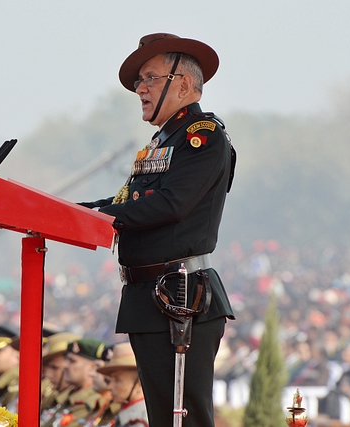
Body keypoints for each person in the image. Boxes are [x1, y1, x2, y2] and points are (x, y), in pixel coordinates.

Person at [78, 33, 236, 427]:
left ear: (182, 83)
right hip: (147, 296)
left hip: (181, 298)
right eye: (138, 82)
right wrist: (84, 211)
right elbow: (130, 203)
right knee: (164, 418)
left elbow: (171, 204)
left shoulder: (203, 137)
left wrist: (100, 217)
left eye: (149, 78)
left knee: (186, 416)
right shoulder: (159, 141)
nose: (141, 89)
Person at [42, 338, 105, 427]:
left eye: (72, 361)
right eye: (67, 360)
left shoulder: (88, 402)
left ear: (91, 367)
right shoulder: (68, 395)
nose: (65, 366)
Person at [96, 342, 148, 427]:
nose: (110, 387)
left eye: (117, 380)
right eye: (110, 380)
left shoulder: (139, 422)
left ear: (139, 384)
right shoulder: (120, 414)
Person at [40, 332, 83, 422]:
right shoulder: (53, 397)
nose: (48, 375)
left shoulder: (79, 403)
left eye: (54, 368)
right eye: (45, 369)